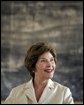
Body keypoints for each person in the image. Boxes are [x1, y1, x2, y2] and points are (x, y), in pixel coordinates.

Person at [4, 42, 74, 104]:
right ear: (33, 66)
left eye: (52, 60)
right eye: (43, 60)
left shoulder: (63, 92)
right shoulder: (16, 93)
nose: (50, 65)